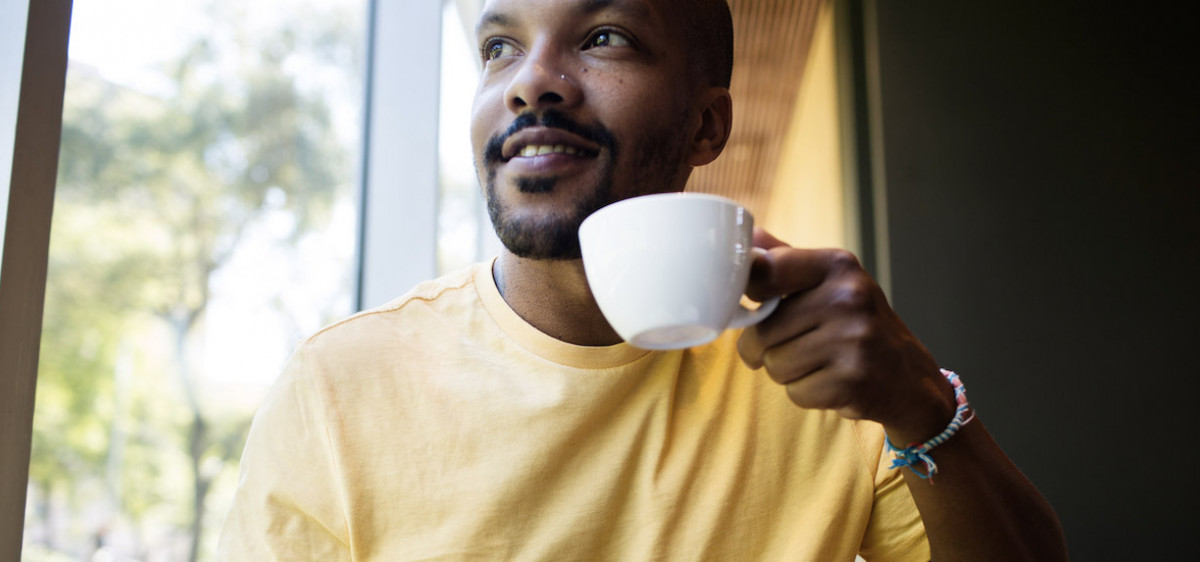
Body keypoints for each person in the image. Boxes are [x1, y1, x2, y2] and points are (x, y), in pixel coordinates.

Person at [219, 0, 1068, 559]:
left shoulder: (833, 386)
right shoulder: (337, 391)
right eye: (499, 47)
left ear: (706, 124)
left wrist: (922, 402)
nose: (530, 84)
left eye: (602, 37)